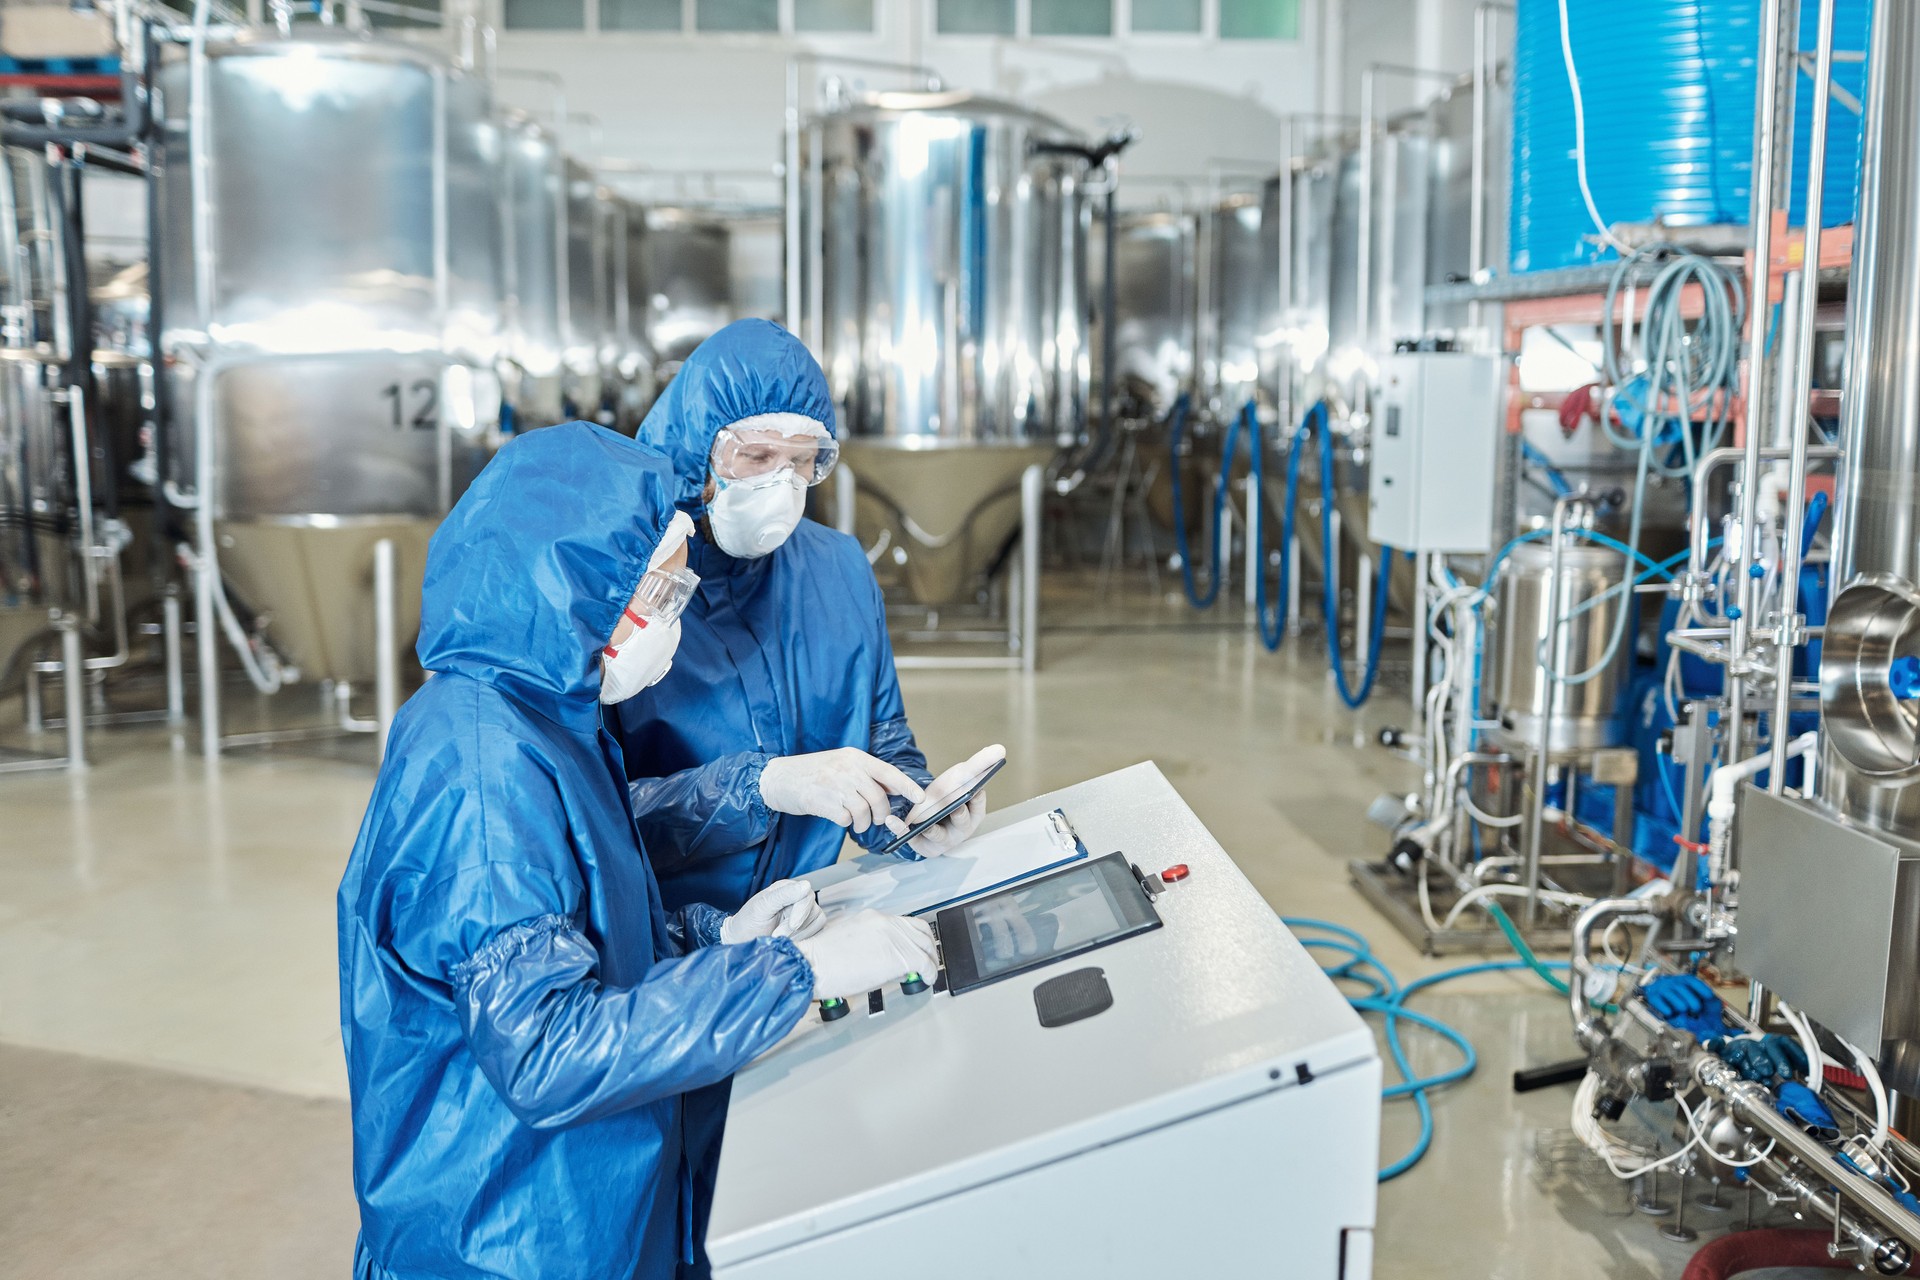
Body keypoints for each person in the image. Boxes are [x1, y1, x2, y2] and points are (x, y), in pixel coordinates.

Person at [337, 422, 938, 1280]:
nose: (675, 612)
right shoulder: (479, 777)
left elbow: (589, 933)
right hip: (508, 1243)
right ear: (577, 587)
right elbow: (545, 1049)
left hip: (586, 1213)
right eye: (661, 588)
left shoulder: (543, 719)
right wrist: (791, 975)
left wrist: (720, 940)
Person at [615, 319, 1003, 1276]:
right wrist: (768, 786)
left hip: (814, 945)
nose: (779, 481)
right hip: (664, 973)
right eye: (754, 454)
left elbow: (883, 748)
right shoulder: (636, 590)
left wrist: (921, 819)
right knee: (663, 1218)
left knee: (783, 1208)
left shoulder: (836, 573)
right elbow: (593, 824)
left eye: (806, 459)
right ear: (695, 445)